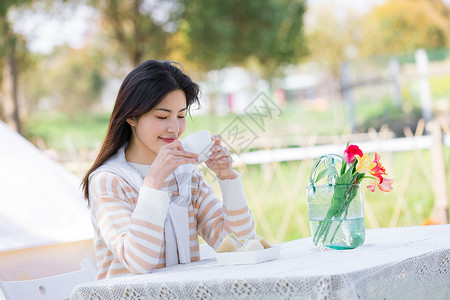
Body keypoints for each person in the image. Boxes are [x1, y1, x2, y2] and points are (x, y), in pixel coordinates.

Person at [81, 60, 256, 280]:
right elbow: (138, 261)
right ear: (132, 116)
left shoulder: (187, 176)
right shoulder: (108, 181)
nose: (175, 128)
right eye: (162, 117)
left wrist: (227, 177)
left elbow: (241, 245)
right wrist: (154, 181)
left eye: (181, 116)